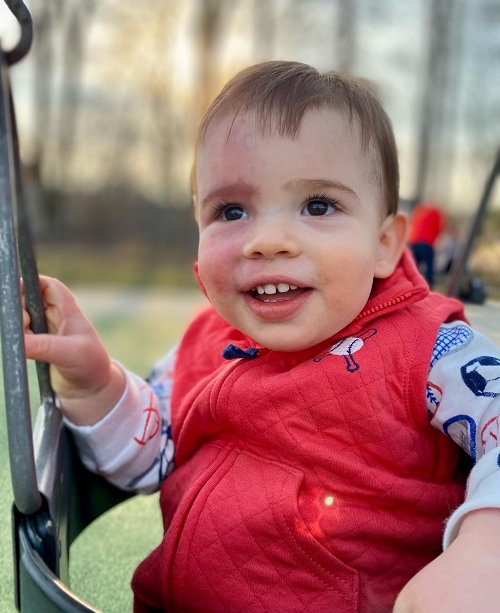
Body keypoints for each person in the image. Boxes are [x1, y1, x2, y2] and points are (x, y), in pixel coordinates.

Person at [24, 61, 500, 613]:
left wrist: (486, 546)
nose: (267, 240)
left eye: (318, 205)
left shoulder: (431, 349)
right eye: (231, 210)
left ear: (386, 244)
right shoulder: (203, 345)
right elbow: (149, 456)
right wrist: (95, 386)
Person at [408, 202, 446, 287]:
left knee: (412, 265)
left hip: (414, 242)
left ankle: (410, 283)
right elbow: (439, 228)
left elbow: (413, 225)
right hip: (426, 243)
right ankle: (429, 286)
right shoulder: (436, 213)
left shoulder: (419, 211)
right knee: (429, 267)